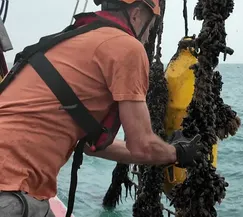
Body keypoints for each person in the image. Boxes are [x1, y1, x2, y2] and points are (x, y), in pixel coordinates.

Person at [0, 0, 202, 216]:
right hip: (11, 189)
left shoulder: (75, 39)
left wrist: (167, 150)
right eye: (150, 27)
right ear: (135, 15)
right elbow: (142, 145)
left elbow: (90, 145)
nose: (147, 36)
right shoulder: (127, 47)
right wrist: (179, 152)